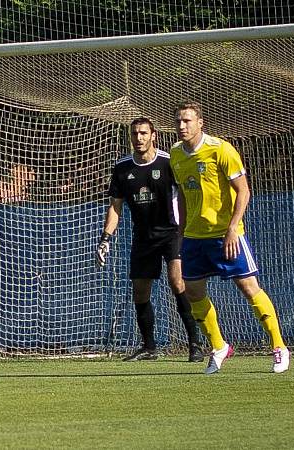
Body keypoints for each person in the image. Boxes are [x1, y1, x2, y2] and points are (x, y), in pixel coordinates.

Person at [169, 101, 290, 374]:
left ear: (201, 123)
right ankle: (219, 346)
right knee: (193, 292)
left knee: (249, 288)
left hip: (225, 234)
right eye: (178, 121)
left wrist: (233, 228)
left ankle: (279, 347)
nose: (181, 126)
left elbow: (243, 191)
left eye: (187, 121)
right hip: (194, 237)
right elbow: (185, 196)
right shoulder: (176, 155)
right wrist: (182, 230)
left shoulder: (221, 149)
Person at [97, 118, 204, 363]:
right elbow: (115, 207)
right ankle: (149, 347)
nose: (139, 138)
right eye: (135, 134)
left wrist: (185, 229)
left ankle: (195, 345)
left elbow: (186, 196)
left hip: (171, 233)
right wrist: (105, 238)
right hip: (143, 237)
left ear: (153, 135)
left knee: (177, 283)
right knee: (140, 291)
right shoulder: (122, 168)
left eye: (144, 133)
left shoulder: (169, 162)